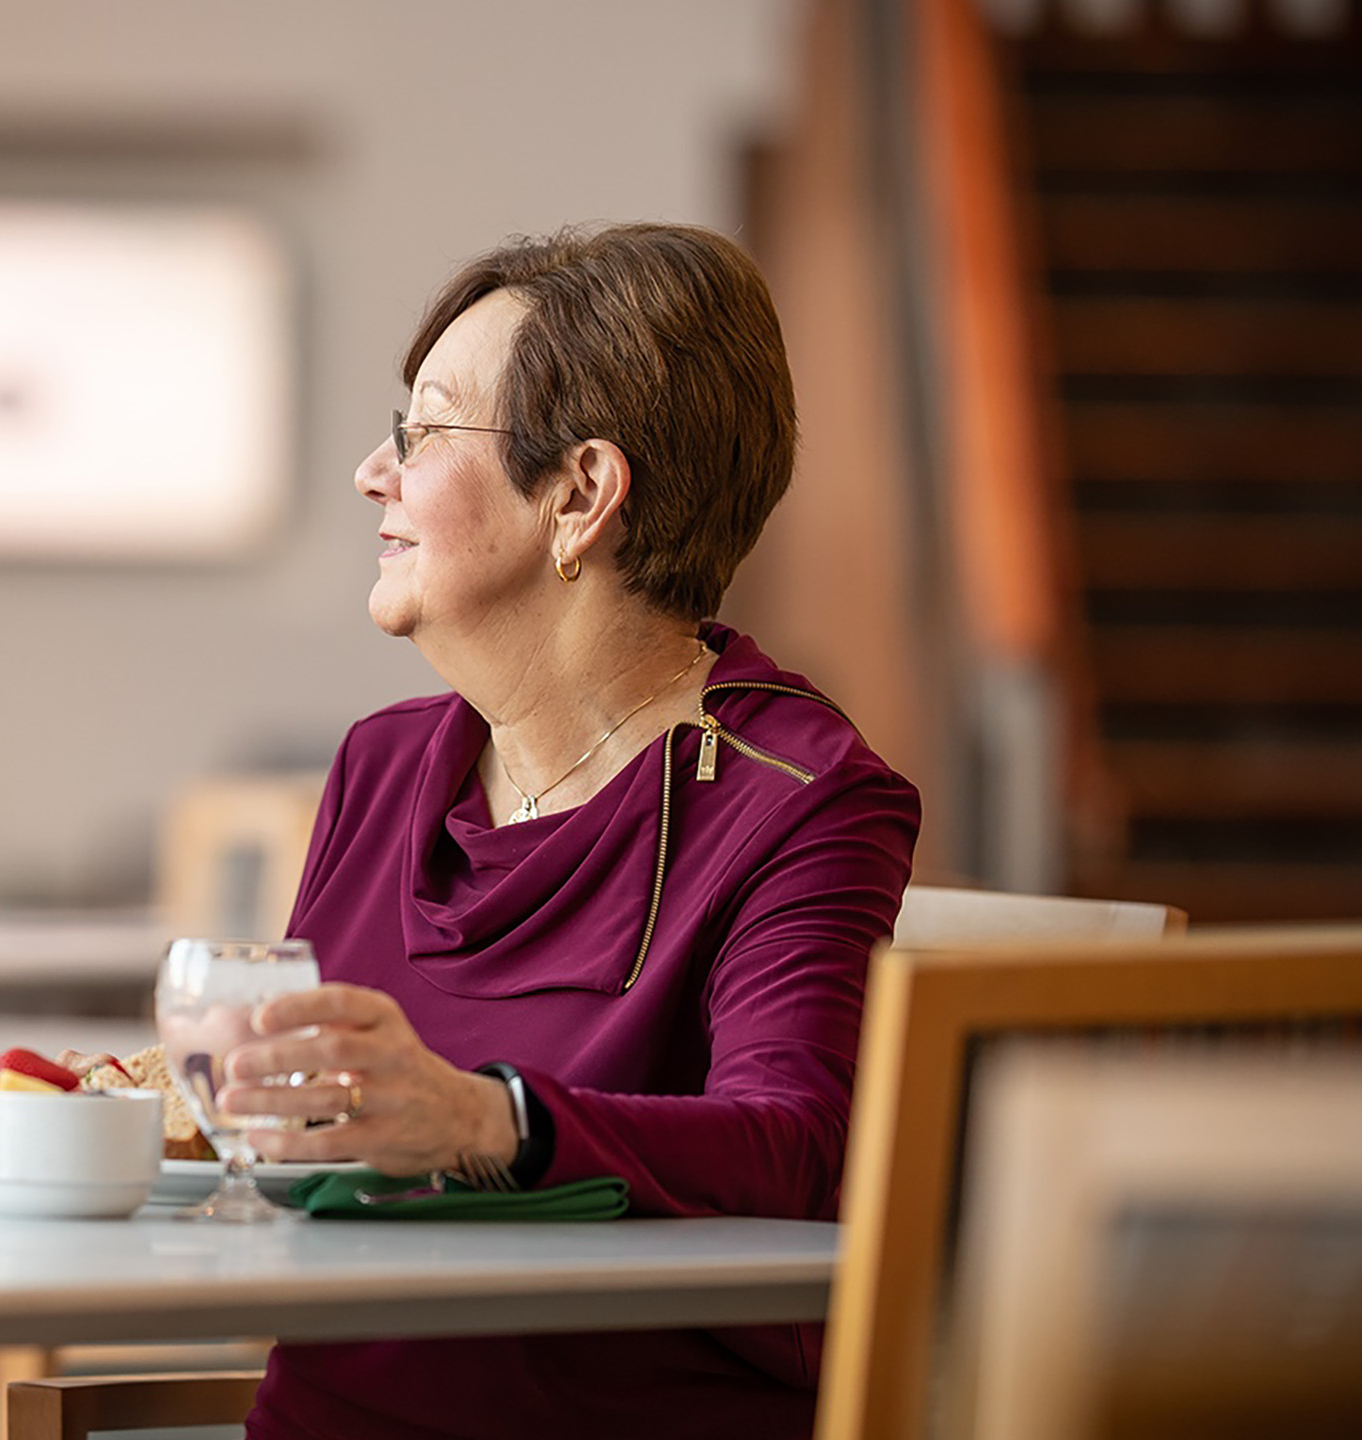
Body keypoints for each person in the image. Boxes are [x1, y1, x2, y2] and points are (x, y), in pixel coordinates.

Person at [217, 223, 920, 1440]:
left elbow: (801, 1150)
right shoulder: (382, 768)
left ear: (582, 495)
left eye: (422, 433)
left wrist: (486, 1122)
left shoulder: (797, 797)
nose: (370, 475)